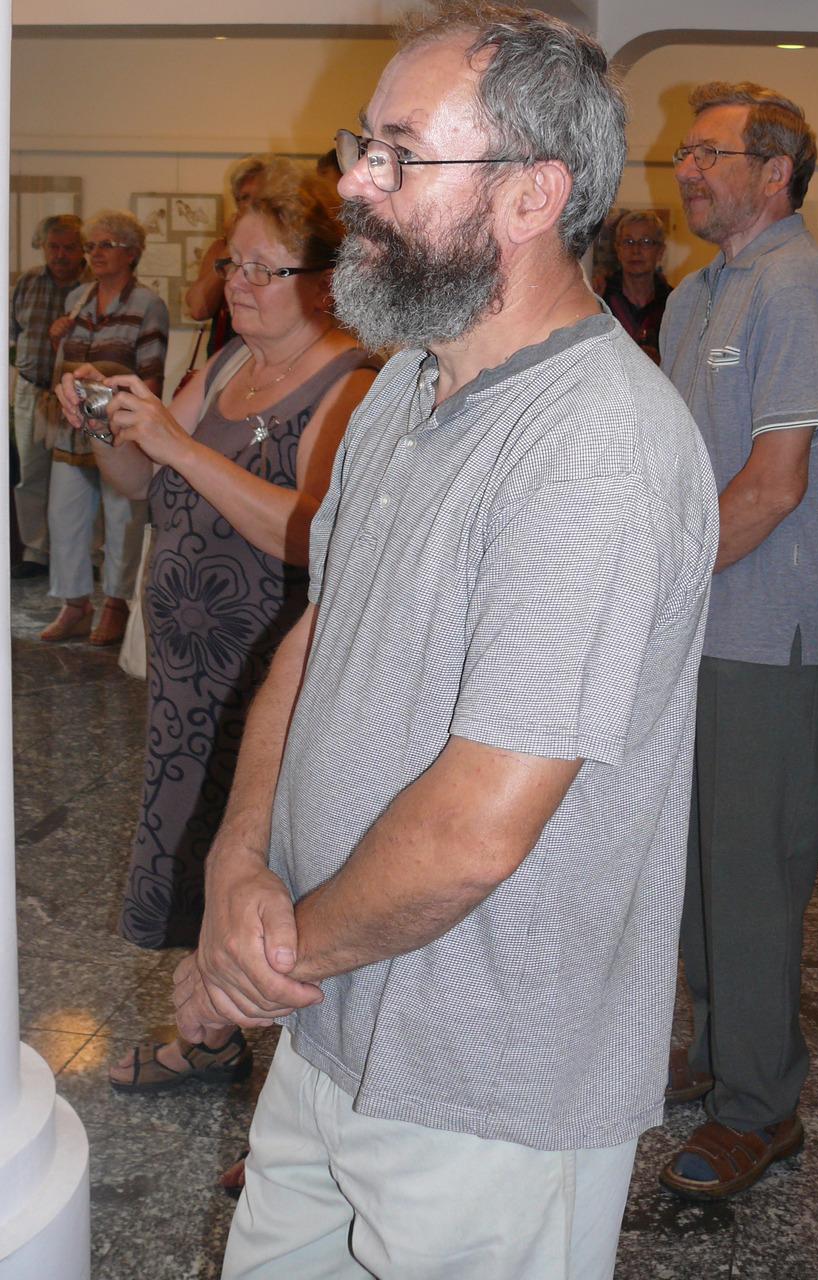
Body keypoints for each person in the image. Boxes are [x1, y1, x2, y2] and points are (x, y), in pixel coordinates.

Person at [170, 7, 718, 1278]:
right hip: (329, 1019)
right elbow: (315, 640)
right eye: (361, 145)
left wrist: (258, 962)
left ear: (531, 194)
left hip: (484, 1084)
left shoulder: (595, 446)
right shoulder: (407, 384)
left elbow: (475, 828)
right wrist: (239, 862)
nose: (353, 184)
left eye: (399, 155)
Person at [56, 168, 379, 1089]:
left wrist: (176, 444)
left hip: (265, 678)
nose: (236, 284)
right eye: (232, 263)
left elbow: (311, 535)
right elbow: (141, 483)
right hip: (189, 682)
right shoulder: (231, 365)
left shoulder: (352, 383)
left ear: (322, 283)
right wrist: (110, 424)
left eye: (262, 270)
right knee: (204, 851)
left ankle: (300, 1084)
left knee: (271, 866)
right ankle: (211, 1039)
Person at [657, 81, 818, 1201]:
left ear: (775, 172)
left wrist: (652, 585)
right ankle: (718, 1047)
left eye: (709, 153)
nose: (685, 169)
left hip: (769, 625)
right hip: (697, 621)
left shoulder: (798, 286)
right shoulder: (694, 296)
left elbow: (775, 486)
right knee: (694, 862)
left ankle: (760, 1106)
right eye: (684, 153)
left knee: (752, 874)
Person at [42, 210, 168, 646]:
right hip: (72, 423)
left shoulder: (148, 303)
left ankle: (116, 605)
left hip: (118, 427)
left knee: (122, 520)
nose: (95, 252)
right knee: (64, 516)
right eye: (91, 245)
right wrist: (59, 337)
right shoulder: (76, 298)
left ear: (132, 253)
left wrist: (131, 419)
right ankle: (75, 606)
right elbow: (65, 362)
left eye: (106, 245)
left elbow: (151, 376)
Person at [9, 214, 90, 580]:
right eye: (53, 246)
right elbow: (13, 333)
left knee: (82, 474)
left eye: (69, 248)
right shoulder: (26, 283)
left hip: (78, 396)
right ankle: (35, 552)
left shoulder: (94, 287)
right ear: (43, 247)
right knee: (30, 476)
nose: (60, 255)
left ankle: (90, 554)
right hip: (31, 391)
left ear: (82, 250)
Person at [184, 154, 303, 357]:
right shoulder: (221, 247)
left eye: (255, 198)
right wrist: (231, 248)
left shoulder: (294, 248)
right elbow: (198, 309)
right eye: (242, 199)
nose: (247, 206)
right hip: (228, 357)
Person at [599, 209, 671, 361]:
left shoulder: (672, 302)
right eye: (628, 242)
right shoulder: (600, 297)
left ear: (660, 251)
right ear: (618, 249)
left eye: (645, 242)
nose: (636, 250)